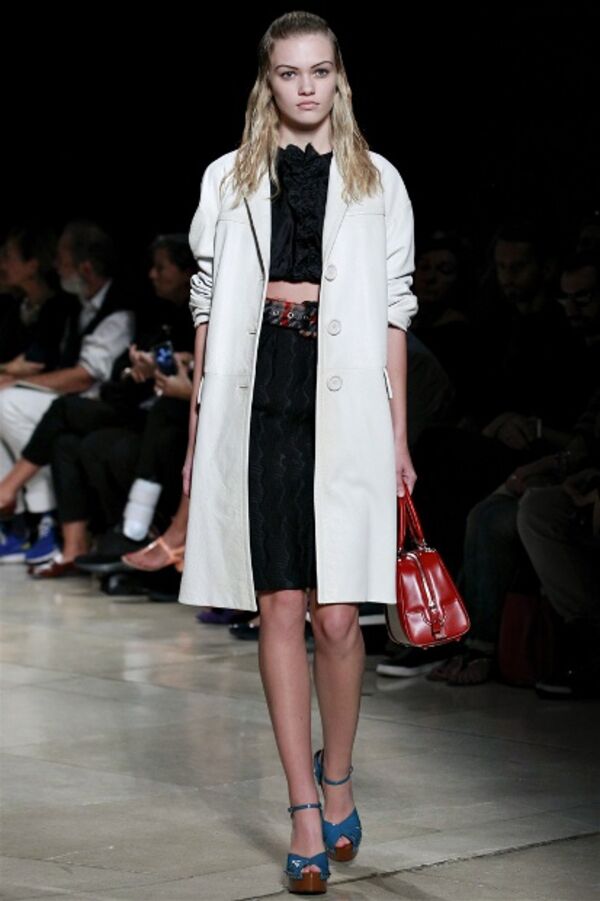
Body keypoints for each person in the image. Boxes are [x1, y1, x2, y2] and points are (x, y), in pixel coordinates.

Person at [178, 11, 418, 895]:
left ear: (339, 76)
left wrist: (398, 435)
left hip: (346, 398)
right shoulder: (228, 176)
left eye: (319, 70)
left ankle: (338, 771)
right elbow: (207, 306)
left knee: (339, 615)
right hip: (260, 390)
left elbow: (395, 311)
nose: (306, 87)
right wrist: (197, 437)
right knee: (278, 601)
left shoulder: (377, 179)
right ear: (267, 81)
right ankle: (303, 809)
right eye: (289, 72)